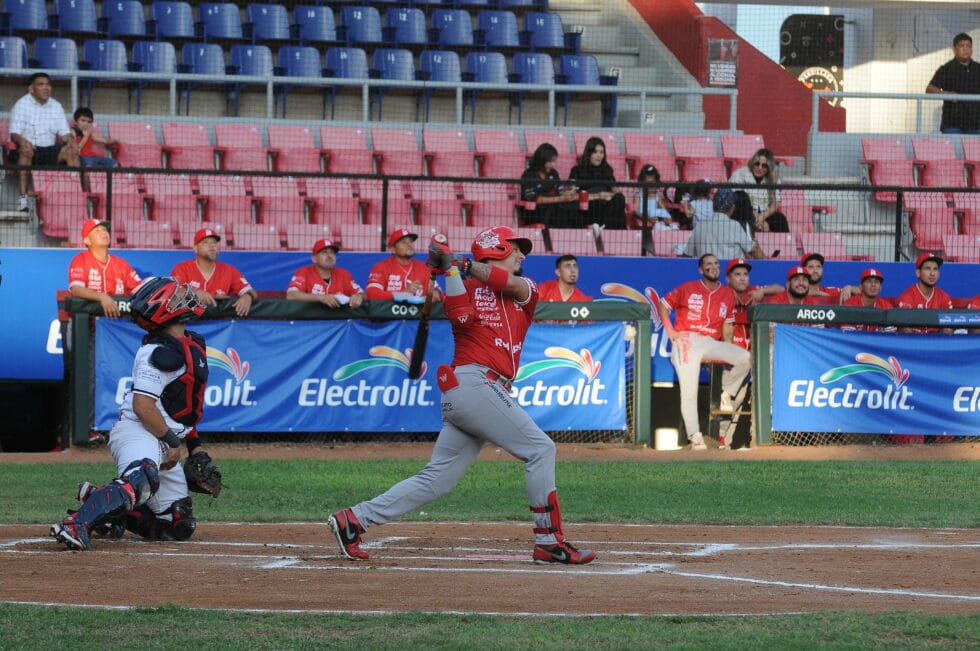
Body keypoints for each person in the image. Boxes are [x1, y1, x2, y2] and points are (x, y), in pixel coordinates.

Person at [328, 226, 596, 565]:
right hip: (472, 384)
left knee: (437, 480)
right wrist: (451, 271)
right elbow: (461, 317)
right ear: (495, 249)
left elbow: (507, 283)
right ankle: (549, 540)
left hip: (478, 390)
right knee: (541, 449)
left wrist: (458, 264)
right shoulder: (463, 286)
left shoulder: (525, 288)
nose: (522, 255)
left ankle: (353, 520)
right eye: (515, 249)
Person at [51, 276, 211, 550]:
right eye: (174, 298)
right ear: (165, 311)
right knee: (142, 476)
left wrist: (195, 448)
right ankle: (77, 523)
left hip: (165, 434)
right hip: (139, 429)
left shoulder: (193, 343)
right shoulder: (156, 353)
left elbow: (184, 409)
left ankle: (102, 501)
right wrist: (174, 444)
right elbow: (143, 407)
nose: (183, 298)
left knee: (178, 524)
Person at [658, 254, 751, 450]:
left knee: (746, 357)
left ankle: (727, 392)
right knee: (689, 391)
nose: (713, 266)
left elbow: (727, 327)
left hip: (710, 342)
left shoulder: (727, 293)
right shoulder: (687, 288)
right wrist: (671, 331)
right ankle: (696, 436)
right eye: (708, 264)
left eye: (717, 263)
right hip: (687, 340)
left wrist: (728, 349)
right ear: (701, 270)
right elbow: (663, 305)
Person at [9, 72, 82, 211]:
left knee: (71, 151)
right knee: (25, 150)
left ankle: (74, 197)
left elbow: (65, 133)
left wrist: (71, 140)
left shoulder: (56, 106)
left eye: (48, 84)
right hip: (29, 149)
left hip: (49, 150)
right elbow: (14, 134)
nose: (46, 88)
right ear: (31, 89)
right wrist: (24, 142)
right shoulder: (21, 105)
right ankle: (23, 200)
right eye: (41, 84)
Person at [170, 228, 258, 318]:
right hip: (190, 324)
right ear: (195, 248)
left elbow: (250, 291)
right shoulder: (182, 268)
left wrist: (248, 296)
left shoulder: (229, 270)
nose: (212, 245)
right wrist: (194, 293)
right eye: (205, 242)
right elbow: (173, 293)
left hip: (219, 326)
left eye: (214, 242)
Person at [68, 218, 143, 318]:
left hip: (119, 323)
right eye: (97, 231)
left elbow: (140, 291)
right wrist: (102, 297)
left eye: (104, 230)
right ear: (87, 240)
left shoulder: (121, 263)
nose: (103, 233)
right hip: (90, 325)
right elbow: (76, 289)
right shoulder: (80, 259)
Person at [683, 188, 765, 260]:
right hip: (730, 272)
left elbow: (686, 255)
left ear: (713, 205)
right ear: (732, 208)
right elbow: (753, 250)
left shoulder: (699, 226)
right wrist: (769, 263)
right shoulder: (734, 225)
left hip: (707, 272)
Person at [365, 228, 441, 302]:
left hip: (417, 313)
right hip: (389, 314)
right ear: (393, 249)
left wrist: (435, 293)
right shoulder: (381, 267)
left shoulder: (424, 268)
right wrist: (402, 293)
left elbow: (437, 290)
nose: (409, 244)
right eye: (403, 242)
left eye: (411, 241)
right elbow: (371, 294)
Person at [286, 238, 365, 308]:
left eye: (332, 253)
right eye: (324, 252)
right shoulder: (304, 272)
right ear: (314, 259)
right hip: (311, 322)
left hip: (338, 323)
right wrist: (321, 297)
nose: (329, 255)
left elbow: (362, 294)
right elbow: (291, 295)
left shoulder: (343, 274)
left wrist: (359, 296)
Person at [568, 136, 627, 230]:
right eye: (595, 152)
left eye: (601, 152)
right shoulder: (577, 170)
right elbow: (571, 195)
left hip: (606, 207)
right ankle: (603, 226)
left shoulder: (607, 170)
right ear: (589, 153)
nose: (599, 155)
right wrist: (597, 196)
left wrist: (608, 195)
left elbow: (616, 191)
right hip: (588, 206)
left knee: (620, 198)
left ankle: (605, 227)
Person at [926, 33, 980, 134]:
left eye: (968, 46)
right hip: (952, 124)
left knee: (975, 150)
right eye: (961, 46)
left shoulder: (978, 68)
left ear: (972, 49)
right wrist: (945, 94)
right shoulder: (946, 69)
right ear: (954, 49)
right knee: (951, 150)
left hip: (976, 124)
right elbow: (929, 89)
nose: (965, 49)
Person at [726, 257, 782, 350]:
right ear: (728, 279)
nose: (742, 278)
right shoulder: (722, 292)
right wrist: (727, 294)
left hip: (754, 344)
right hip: (732, 345)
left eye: (745, 274)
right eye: (737, 274)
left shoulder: (754, 290)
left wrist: (763, 291)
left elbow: (781, 289)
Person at [727, 148, 789, 233]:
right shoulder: (740, 174)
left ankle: (784, 246)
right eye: (757, 164)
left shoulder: (774, 178)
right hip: (744, 212)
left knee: (780, 220)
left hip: (763, 214)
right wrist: (756, 219)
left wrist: (761, 218)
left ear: (769, 168)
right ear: (753, 162)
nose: (760, 168)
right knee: (741, 198)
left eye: (764, 165)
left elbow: (776, 203)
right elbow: (737, 199)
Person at [520, 142, 581, 228]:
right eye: (550, 161)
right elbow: (534, 199)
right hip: (534, 213)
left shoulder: (554, 173)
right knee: (560, 209)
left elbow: (559, 191)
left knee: (573, 205)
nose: (553, 164)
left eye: (554, 161)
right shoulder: (529, 175)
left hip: (553, 209)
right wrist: (561, 198)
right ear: (542, 159)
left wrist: (568, 193)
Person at [895, 252, 953, 333]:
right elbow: (904, 329)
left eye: (935, 269)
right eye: (927, 268)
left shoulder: (944, 296)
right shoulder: (907, 296)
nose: (932, 273)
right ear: (918, 273)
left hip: (937, 342)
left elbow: (949, 325)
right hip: (914, 342)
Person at [840, 268, 894, 332]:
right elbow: (849, 336)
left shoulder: (887, 306)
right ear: (861, 287)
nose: (873, 285)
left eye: (876, 282)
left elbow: (889, 337)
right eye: (869, 281)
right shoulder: (850, 305)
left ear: (880, 288)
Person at [633, 163, 679, 231]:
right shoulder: (638, 194)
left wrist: (666, 216)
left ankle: (672, 226)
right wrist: (647, 218)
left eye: (652, 183)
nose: (651, 186)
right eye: (648, 183)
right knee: (653, 214)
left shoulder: (658, 195)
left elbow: (662, 207)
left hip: (655, 214)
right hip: (643, 215)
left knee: (664, 213)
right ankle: (659, 227)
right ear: (642, 182)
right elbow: (636, 210)